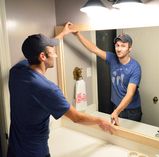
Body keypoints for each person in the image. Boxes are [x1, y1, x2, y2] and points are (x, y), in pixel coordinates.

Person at [7, 22, 115, 157]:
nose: (56, 55)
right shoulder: (47, 89)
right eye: (53, 52)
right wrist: (100, 120)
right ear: (42, 56)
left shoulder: (16, 71)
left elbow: (48, 45)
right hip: (35, 153)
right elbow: (76, 117)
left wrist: (63, 33)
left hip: (14, 150)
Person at [71, 25, 142, 126]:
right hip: (116, 107)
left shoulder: (135, 67)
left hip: (131, 111)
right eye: (117, 45)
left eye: (123, 46)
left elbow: (130, 94)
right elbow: (94, 49)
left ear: (129, 48)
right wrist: (77, 34)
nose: (119, 49)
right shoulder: (112, 58)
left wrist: (117, 111)